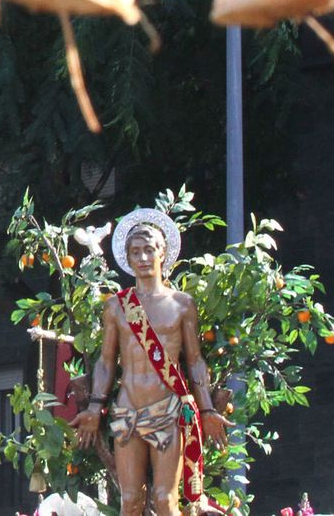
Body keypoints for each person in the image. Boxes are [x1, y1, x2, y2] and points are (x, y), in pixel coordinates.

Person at [73, 208, 234, 516]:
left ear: (163, 253)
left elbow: (195, 361)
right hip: (128, 409)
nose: (143, 258)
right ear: (128, 258)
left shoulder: (182, 304)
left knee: (164, 499)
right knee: (131, 500)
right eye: (135, 252)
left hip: (168, 410)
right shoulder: (117, 307)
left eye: (149, 250)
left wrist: (207, 410)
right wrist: (94, 406)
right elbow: (106, 362)